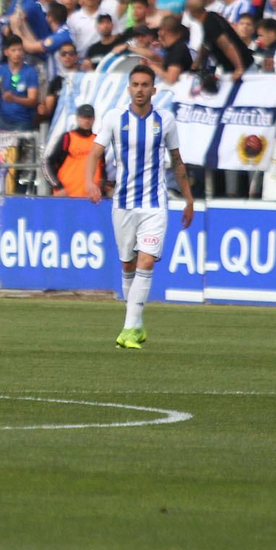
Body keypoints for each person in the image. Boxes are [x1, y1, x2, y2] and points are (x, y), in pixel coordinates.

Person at [85, 64, 197, 350]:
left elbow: (178, 162)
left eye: (145, 85)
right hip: (122, 204)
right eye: (135, 84)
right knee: (128, 264)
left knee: (146, 261)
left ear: (153, 90)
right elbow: (95, 152)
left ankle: (130, 329)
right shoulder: (114, 118)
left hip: (155, 204)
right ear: (128, 88)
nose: (139, 90)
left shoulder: (165, 121)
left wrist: (188, 199)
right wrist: (90, 182)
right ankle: (134, 322)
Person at [0, 34, 40, 131]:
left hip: (23, 121)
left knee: (14, 142)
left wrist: (15, 99)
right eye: (13, 50)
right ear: (6, 52)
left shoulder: (30, 72)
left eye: (20, 50)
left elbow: (33, 101)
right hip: (1, 120)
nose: (17, 53)